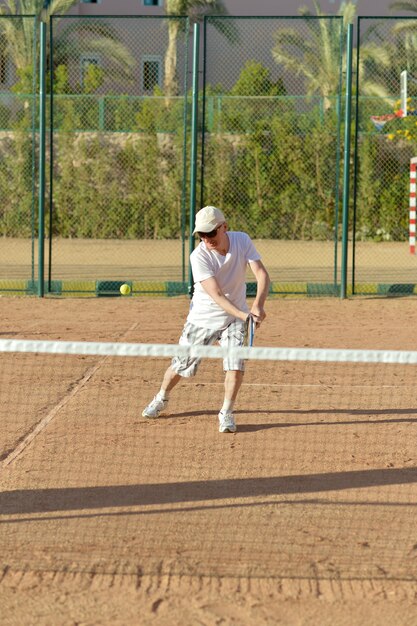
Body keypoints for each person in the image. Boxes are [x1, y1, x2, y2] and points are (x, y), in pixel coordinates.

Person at [142, 205, 270, 433]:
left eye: (211, 233)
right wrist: (246, 315)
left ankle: (227, 412)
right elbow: (217, 295)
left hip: (235, 319)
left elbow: (261, 273)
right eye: (201, 234)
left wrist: (258, 305)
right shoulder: (198, 256)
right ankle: (162, 397)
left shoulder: (241, 240)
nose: (206, 239)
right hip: (204, 318)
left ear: (224, 228)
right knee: (181, 367)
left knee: (235, 365)